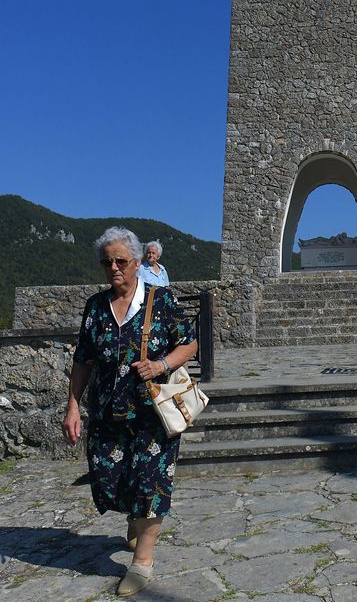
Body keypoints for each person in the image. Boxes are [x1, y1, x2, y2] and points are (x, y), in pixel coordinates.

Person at [62, 227, 198, 597]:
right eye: (107, 262)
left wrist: (161, 364)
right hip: (107, 413)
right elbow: (83, 359)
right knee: (109, 480)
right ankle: (135, 518)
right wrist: (73, 405)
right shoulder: (96, 307)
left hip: (153, 413)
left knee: (150, 483)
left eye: (121, 261)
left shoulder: (160, 300)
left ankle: (142, 561)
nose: (114, 268)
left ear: (137, 263)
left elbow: (189, 343)